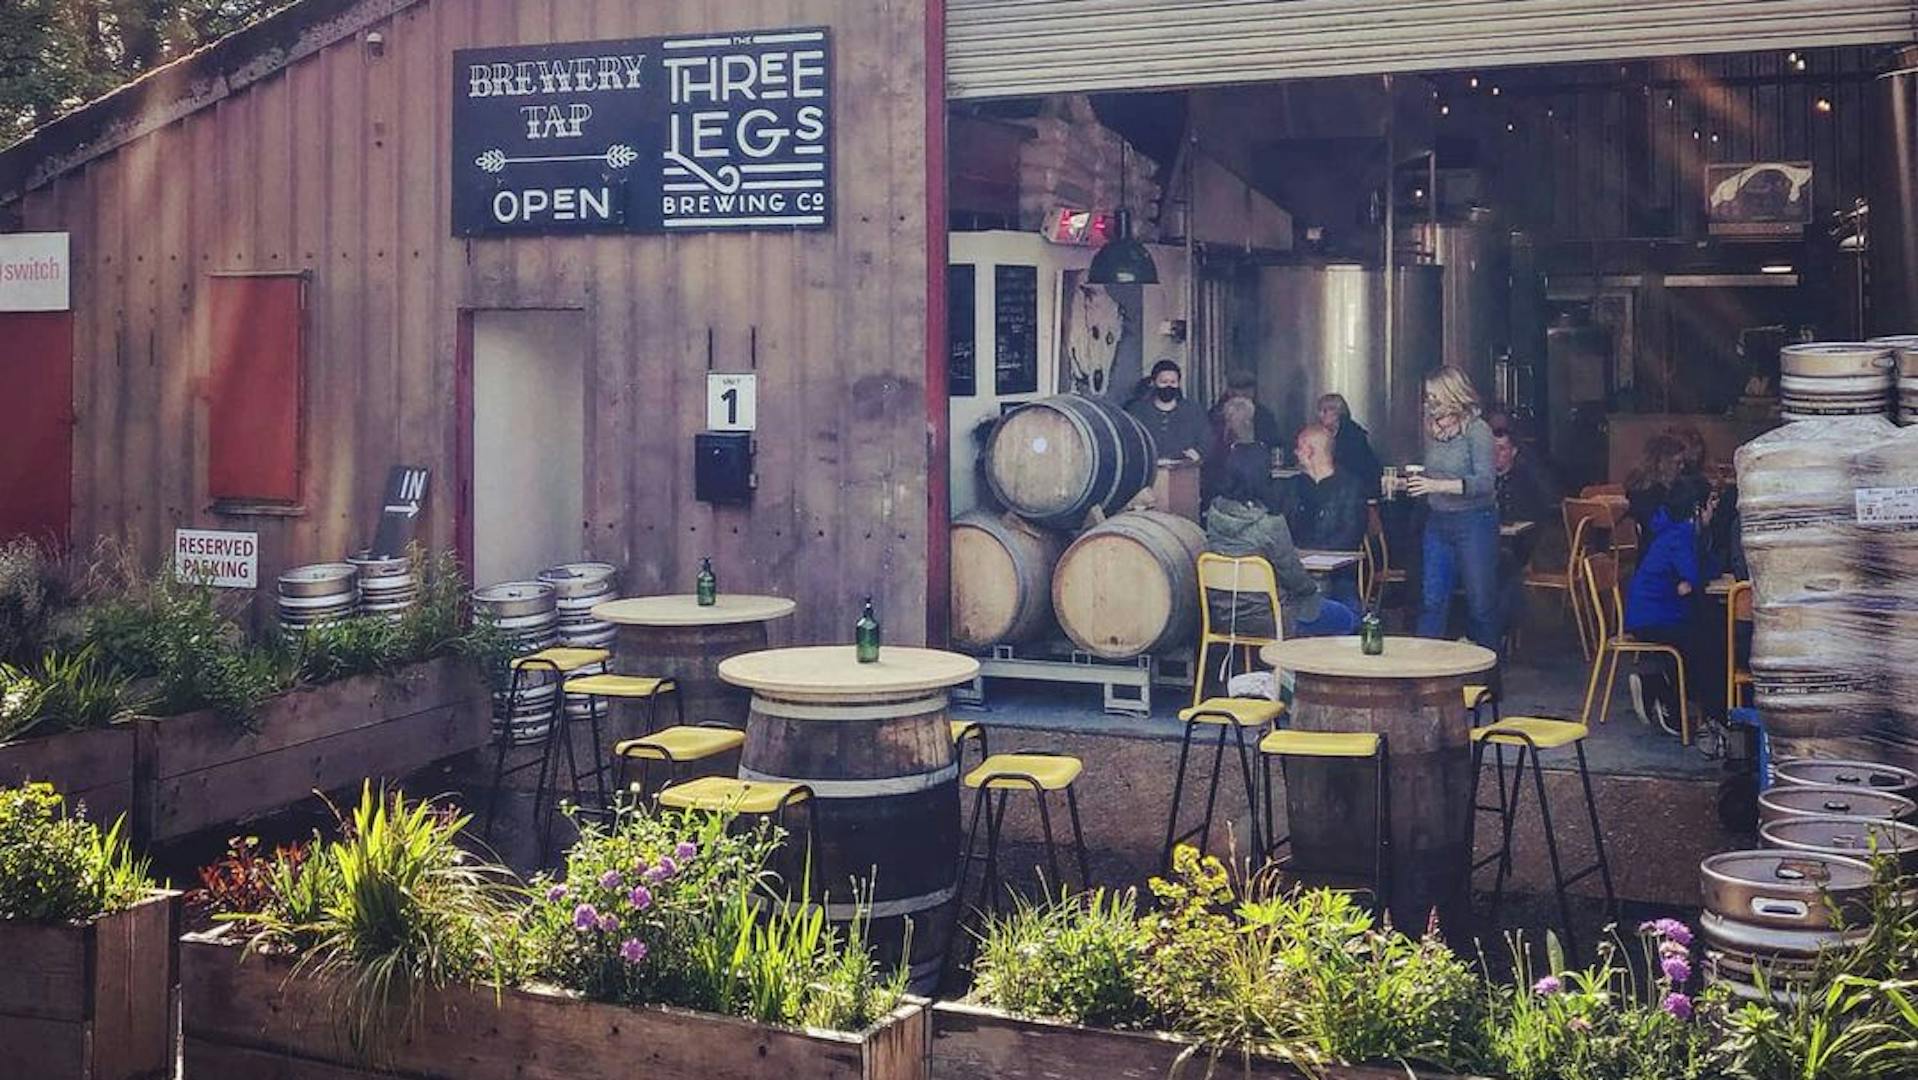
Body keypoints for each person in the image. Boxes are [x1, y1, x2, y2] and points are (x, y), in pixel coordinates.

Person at [1203, 467, 1359, 642]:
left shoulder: (1214, 516)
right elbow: (1295, 580)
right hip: (1273, 619)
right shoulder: (1271, 524)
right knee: (1348, 617)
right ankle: (1310, 666)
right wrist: (1311, 591)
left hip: (1225, 618)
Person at [1624, 475, 1727, 737]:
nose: (1714, 508)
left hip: (1658, 612)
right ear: (1696, 508)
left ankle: (1664, 691)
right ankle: (1680, 703)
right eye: (1711, 502)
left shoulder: (1673, 531)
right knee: (1709, 644)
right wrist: (1692, 580)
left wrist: (1693, 580)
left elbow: (1705, 569)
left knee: (1709, 634)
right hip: (1655, 617)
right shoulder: (1681, 535)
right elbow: (1695, 574)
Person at [1411, 366, 1502, 653]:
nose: (1428, 402)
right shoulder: (1432, 429)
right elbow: (1431, 472)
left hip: (1474, 520)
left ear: (1452, 395)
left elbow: (1485, 483)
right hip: (1438, 520)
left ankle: (1488, 679)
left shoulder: (1478, 431)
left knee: (1480, 603)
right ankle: (1423, 677)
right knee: (1432, 600)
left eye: (1433, 396)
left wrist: (1436, 486)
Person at [1290, 424, 1366, 607]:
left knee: (1346, 612)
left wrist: (1313, 553)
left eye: (1299, 448)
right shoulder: (1293, 486)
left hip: (1339, 575)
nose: (1295, 453)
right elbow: (1283, 527)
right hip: (1296, 574)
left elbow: (1351, 534)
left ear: (1310, 451)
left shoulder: (1350, 486)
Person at [1203, 397, 1284, 513]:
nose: (1231, 423)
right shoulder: (1216, 443)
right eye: (1230, 417)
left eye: (1245, 418)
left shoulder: (1258, 450)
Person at [1126, 359, 1212, 462]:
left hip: (1184, 471)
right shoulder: (1137, 411)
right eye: (1164, 382)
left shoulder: (1193, 411)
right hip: (1148, 470)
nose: (1168, 386)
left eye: (1173, 382)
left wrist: (1199, 453)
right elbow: (1129, 442)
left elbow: (1207, 439)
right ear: (1154, 383)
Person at [1317, 393, 1383, 499]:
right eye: (1319, 410)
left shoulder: (1352, 436)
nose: (1320, 415)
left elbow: (1352, 467)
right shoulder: (1323, 433)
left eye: (1325, 411)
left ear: (1337, 413)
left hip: (1360, 489)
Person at [1209, 369, 1283, 452]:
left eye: (1247, 390)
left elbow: (1274, 446)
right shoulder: (1216, 415)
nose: (1243, 394)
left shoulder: (1264, 416)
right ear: (1230, 391)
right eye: (1238, 389)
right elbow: (1210, 448)